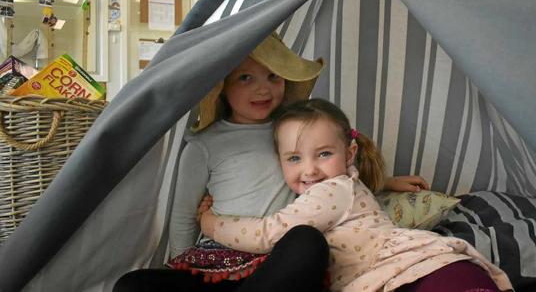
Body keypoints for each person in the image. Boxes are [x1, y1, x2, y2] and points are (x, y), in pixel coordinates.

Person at [114, 33, 427, 292]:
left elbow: (330, 175)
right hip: (216, 262)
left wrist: (383, 183)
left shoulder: (295, 129)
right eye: (245, 78)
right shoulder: (204, 144)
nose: (262, 88)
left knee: (308, 241)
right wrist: (186, 265)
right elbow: (184, 215)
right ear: (223, 88)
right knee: (131, 285)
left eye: (273, 76)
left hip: (276, 261)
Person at [199, 98, 514, 292]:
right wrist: (387, 183)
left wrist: (210, 222)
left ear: (349, 154)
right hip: (397, 274)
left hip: (415, 267)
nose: (309, 170)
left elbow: (267, 233)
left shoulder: (329, 192)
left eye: (322, 154)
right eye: (294, 159)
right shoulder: (344, 185)